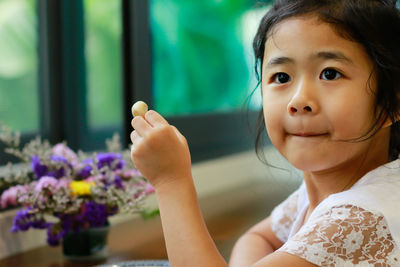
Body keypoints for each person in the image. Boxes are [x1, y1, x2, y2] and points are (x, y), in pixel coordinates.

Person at [130, 0, 400, 266]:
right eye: (282, 77)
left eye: (330, 74)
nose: (299, 100)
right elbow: (259, 237)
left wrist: (171, 181)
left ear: (393, 103)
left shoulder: (361, 216)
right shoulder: (326, 191)